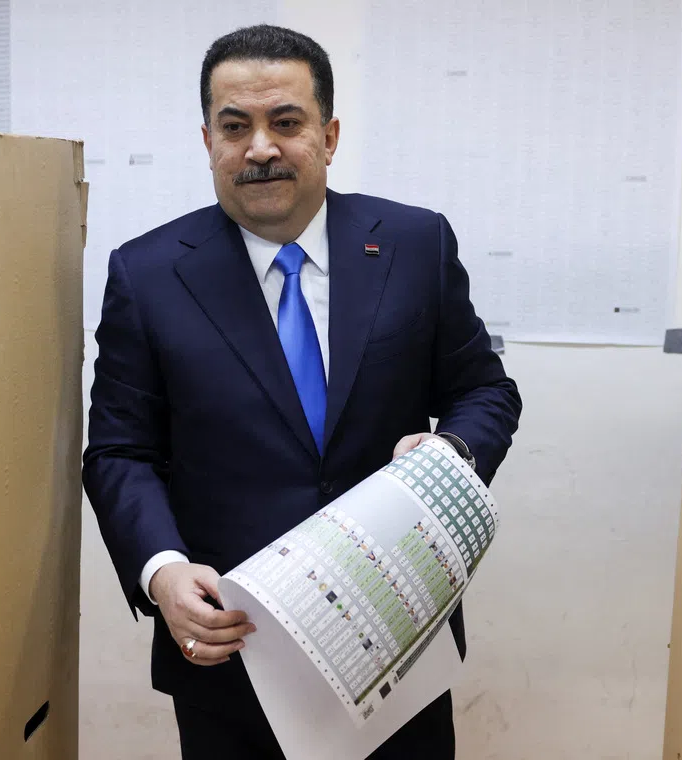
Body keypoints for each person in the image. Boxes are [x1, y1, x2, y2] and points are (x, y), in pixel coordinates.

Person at [82, 23, 521, 760]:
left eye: (285, 122)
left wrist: (450, 453)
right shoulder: (148, 274)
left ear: (329, 134)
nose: (260, 148)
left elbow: (486, 391)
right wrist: (161, 572)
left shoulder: (415, 245)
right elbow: (120, 452)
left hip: (399, 640)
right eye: (235, 126)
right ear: (208, 140)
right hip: (232, 651)